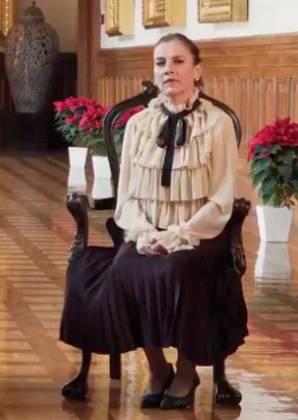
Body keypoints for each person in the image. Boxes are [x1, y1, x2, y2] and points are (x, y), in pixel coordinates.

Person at [60, 33, 248, 409]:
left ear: (197, 71)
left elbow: (221, 198)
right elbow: (126, 196)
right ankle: (158, 367)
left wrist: (178, 235)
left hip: (200, 235)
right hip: (147, 232)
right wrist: (144, 233)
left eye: (178, 62)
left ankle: (187, 371)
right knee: (126, 267)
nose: (168, 70)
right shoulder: (138, 125)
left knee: (179, 269)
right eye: (161, 63)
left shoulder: (218, 124)